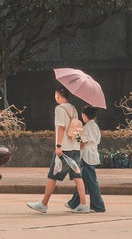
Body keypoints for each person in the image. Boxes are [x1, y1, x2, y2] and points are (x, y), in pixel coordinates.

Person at [26, 84, 91, 214]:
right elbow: (75, 128)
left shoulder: (59, 109)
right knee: (78, 176)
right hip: (74, 148)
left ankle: (43, 204)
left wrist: (58, 146)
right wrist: (79, 143)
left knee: (52, 175)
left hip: (64, 149)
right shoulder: (73, 109)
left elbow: (61, 128)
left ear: (58, 96)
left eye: (55, 95)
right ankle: (84, 204)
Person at [65, 106, 105, 213]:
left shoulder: (88, 127)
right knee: (83, 181)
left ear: (84, 115)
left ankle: (98, 205)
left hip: (87, 157)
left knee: (90, 182)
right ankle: (73, 202)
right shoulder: (94, 126)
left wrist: (77, 135)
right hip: (91, 155)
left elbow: (82, 143)